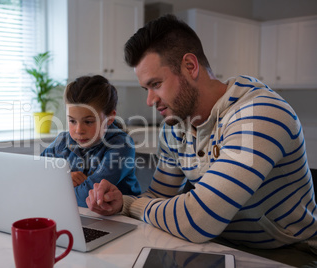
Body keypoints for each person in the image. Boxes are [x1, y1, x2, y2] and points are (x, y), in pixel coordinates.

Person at [86, 14, 317, 252]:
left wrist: (131, 204)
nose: (150, 100)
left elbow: (198, 220)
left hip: (291, 253)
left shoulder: (260, 114)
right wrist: (120, 203)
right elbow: (159, 196)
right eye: (146, 88)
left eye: (156, 84)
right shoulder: (175, 126)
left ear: (190, 66)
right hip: (221, 245)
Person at [41, 75, 141, 207]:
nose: (79, 130)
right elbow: (36, 178)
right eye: (72, 121)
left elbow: (87, 198)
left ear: (110, 118)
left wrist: (56, 187)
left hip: (121, 219)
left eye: (88, 122)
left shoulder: (121, 145)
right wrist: (62, 178)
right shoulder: (62, 140)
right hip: (75, 213)